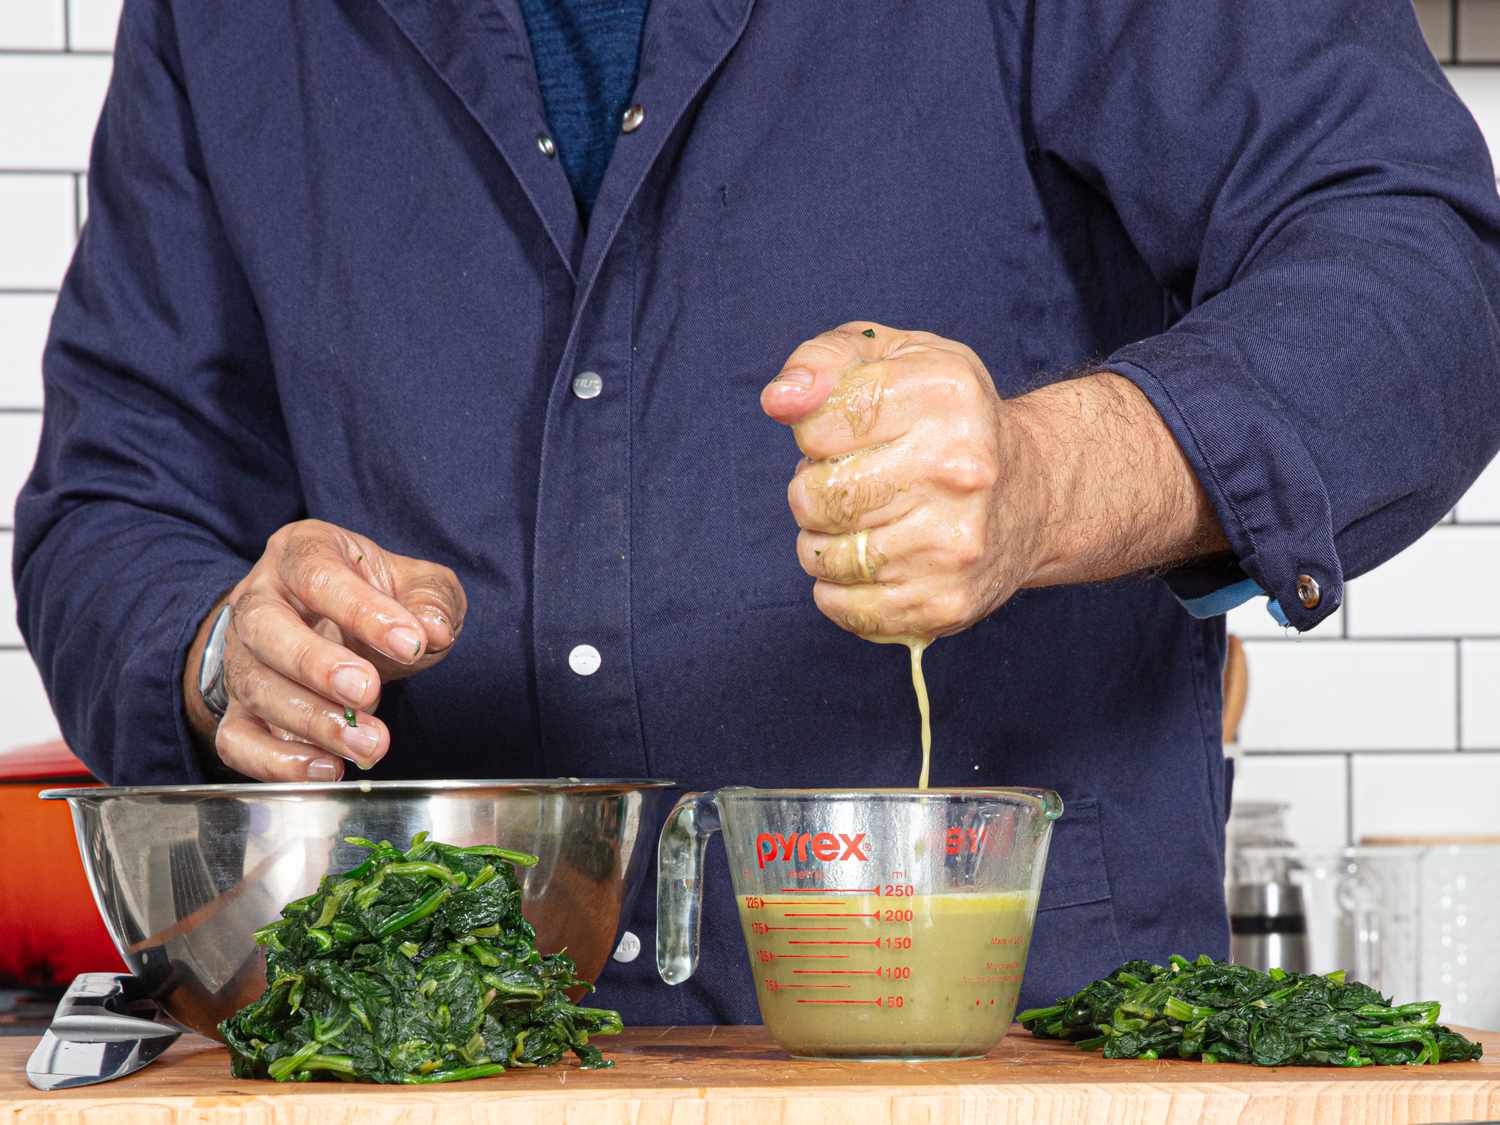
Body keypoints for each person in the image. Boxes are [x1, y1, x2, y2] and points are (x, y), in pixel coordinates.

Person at [14, 0, 1500, 1027]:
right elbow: (111, 494)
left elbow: (1421, 274)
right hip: (439, 1066)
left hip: (1012, 1069)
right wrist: (220, 651)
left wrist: (1052, 478)